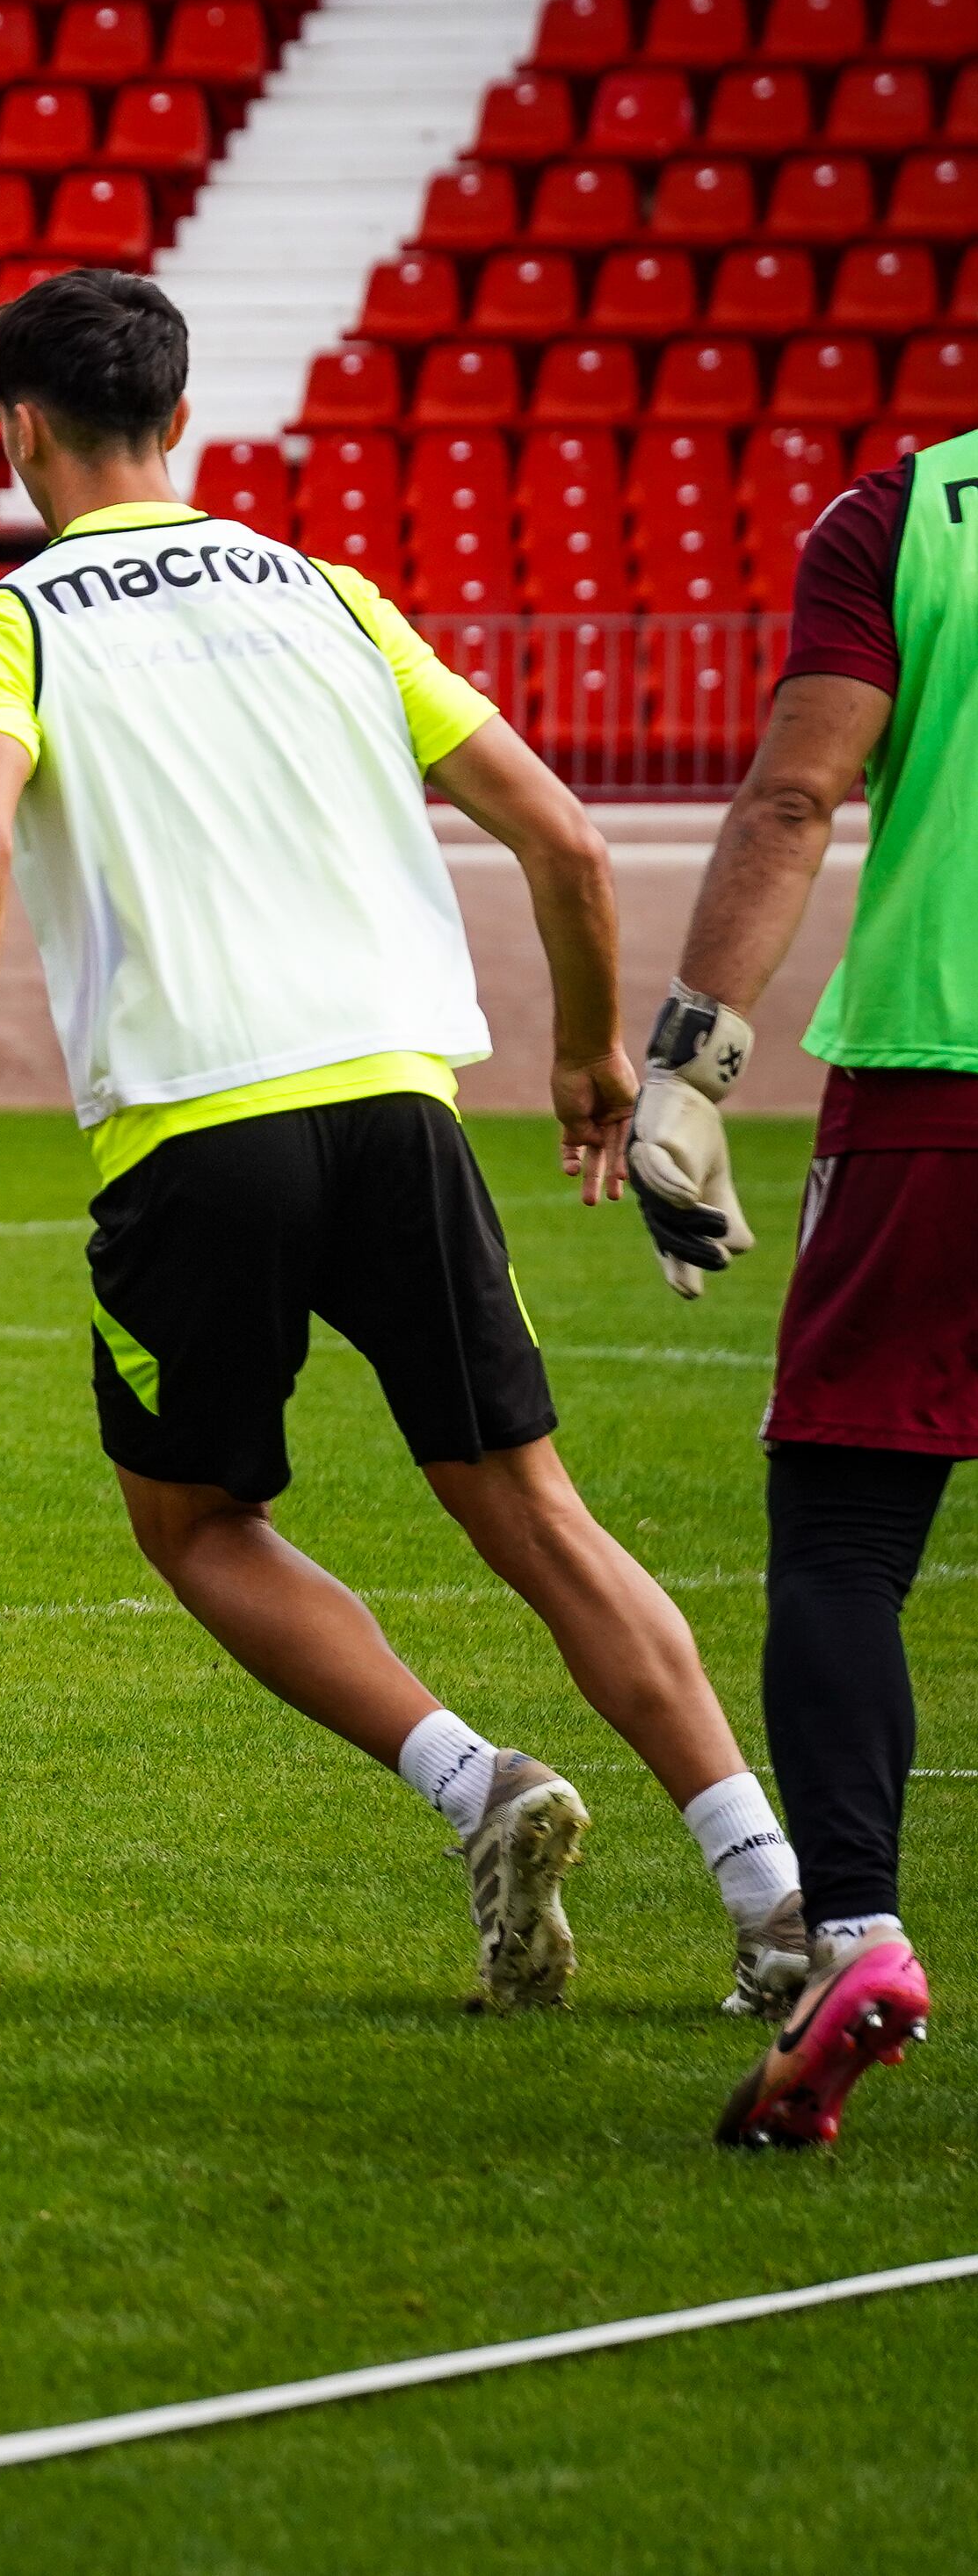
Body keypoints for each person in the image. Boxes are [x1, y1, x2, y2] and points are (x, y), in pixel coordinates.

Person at [0, 268, 795, 2017]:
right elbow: (569, 843)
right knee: (531, 1507)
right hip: (400, 1103)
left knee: (197, 1519)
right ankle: (770, 1894)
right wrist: (591, 1047)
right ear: (178, 419)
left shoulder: (4, 624)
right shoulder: (327, 595)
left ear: (17, 432)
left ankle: (476, 1780)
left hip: (195, 1130)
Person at [626, 446, 955, 2147]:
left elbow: (790, 795)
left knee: (842, 1534)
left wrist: (684, 1071)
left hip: (934, 1085)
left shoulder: (907, 513)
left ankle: (856, 1936)